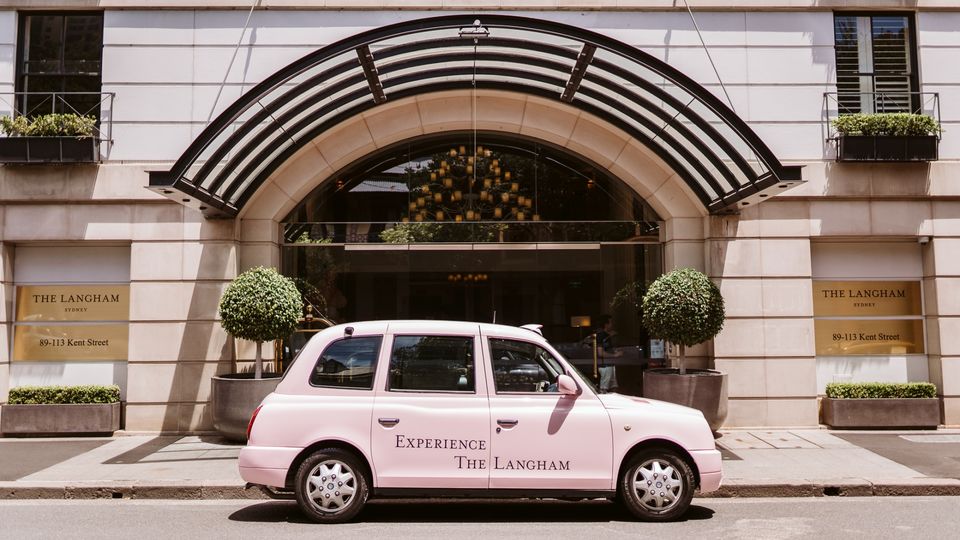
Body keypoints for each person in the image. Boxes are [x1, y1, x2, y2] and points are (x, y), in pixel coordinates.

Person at [594, 314, 622, 393]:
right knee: (604, 388)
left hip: (610, 364)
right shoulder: (601, 336)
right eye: (611, 322)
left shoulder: (607, 335)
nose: (612, 325)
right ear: (606, 324)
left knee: (614, 386)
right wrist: (615, 355)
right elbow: (600, 352)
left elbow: (607, 348)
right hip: (605, 365)